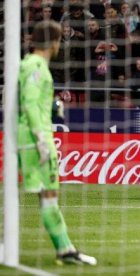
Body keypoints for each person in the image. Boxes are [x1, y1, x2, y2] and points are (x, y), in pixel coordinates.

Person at [18, 21, 96, 265]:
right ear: (53, 41)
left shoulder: (29, 63)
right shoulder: (36, 64)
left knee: (46, 195)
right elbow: (29, 103)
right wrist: (41, 139)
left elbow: (30, 100)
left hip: (29, 135)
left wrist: (51, 107)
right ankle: (65, 249)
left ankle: (65, 248)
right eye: (59, 39)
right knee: (49, 195)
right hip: (36, 137)